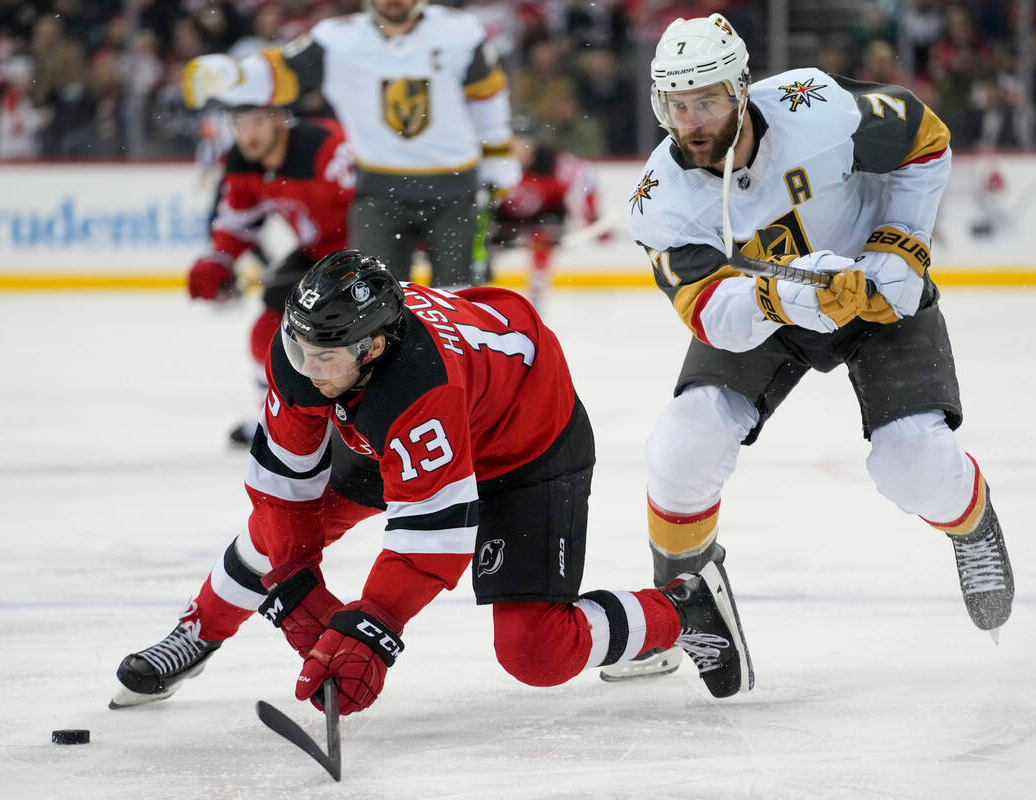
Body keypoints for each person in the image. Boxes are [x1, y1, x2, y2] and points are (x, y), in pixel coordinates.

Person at [110, 249, 752, 713]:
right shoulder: (310, 356)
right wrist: (294, 581)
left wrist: (371, 629)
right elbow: (282, 490)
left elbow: (430, 540)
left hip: (526, 444)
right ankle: (199, 629)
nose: (305, 370)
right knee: (276, 533)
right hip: (416, 414)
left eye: (322, 358)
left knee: (535, 653)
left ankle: (683, 606)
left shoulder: (418, 389)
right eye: (298, 351)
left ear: (373, 348)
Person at [601, 14, 1014, 681]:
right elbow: (710, 312)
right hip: (768, 316)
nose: (693, 121)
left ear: (740, 91)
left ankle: (973, 524)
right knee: (680, 447)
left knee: (912, 465)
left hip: (875, 294)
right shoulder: (660, 200)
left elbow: (924, 137)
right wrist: (795, 297)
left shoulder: (814, 106)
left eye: (706, 100)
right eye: (677, 106)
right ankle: (683, 603)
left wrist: (900, 245)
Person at [180, 0, 521, 288]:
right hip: (377, 191)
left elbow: (488, 101)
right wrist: (235, 77)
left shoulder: (460, 33)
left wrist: (496, 158)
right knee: (375, 303)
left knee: (459, 302)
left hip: (456, 190)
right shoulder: (339, 40)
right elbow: (282, 73)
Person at [187, 103, 357, 445]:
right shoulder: (241, 162)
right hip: (317, 253)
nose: (247, 135)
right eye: (239, 124)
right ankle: (274, 415)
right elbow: (238, 221)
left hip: (362, 251)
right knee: (269, 325)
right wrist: (220, 259)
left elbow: (374, 200)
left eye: (256, 122)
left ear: (280, 119)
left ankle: (356, 414)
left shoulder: (324, 147)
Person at [487, 116, 603, 307]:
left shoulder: (555, 163)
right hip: (505, 217)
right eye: (513, 141)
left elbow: (587, 179)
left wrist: (591, 216)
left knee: (544, 235)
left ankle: (537, 292)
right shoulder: (496, 164)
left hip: (545, 215)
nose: (518, 147)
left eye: (524, 142)